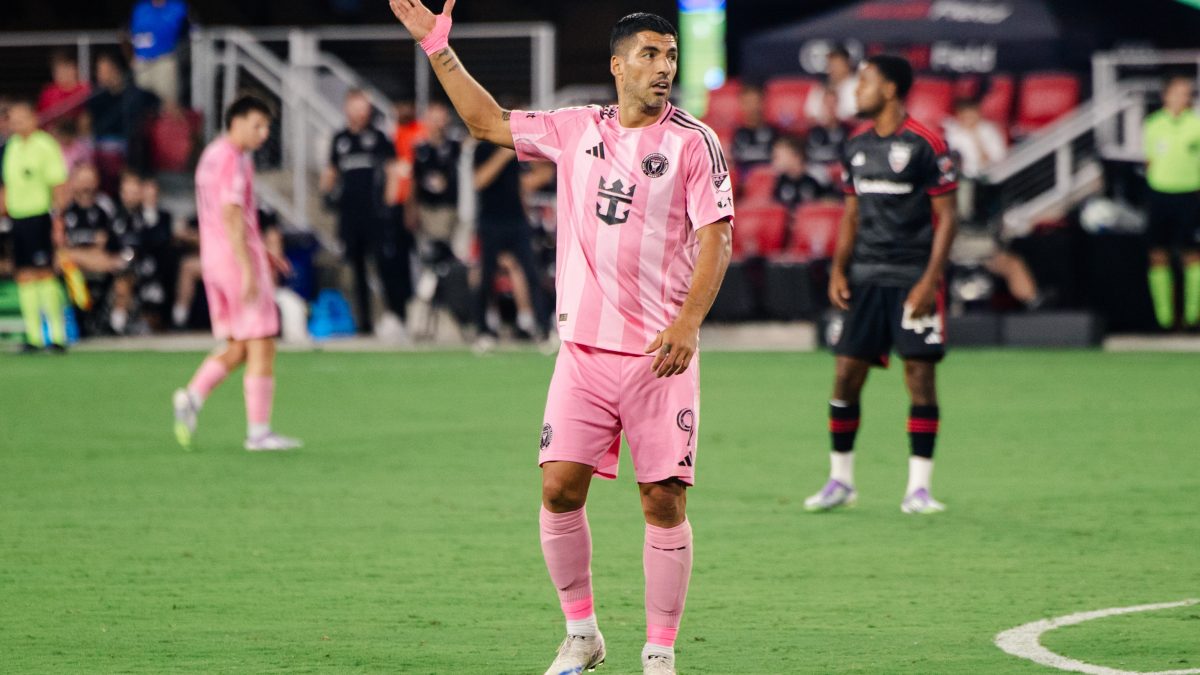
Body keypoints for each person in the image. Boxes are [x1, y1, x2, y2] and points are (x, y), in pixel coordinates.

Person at [387, 5, 734, 674]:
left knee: (661, 498)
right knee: (558, 489)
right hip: (581, 352)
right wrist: (439, 49)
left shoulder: (695, 142)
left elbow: (716, 237)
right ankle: (582, 634)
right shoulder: (575, 130)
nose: (664, 67)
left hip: (658, 355)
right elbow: (485, 122)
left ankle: (659, 650)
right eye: (650, 55)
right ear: (617, 64)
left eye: (670, 56)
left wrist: (689, 321)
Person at [803, 55, 958, 515]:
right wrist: (837, 269)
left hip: (912, 277)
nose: (857, 90)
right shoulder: (855, 146)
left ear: (890, 89)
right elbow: (850, 215)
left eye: (866, 82)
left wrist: (930, 280)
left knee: (919, 377)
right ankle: (840, 481)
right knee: (846, 374)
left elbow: (949, 218)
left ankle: (919, 488)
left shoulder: (927, 144)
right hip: (865, 278)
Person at [171, 96, 301, 452]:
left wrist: (263, 255)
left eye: (267, 127)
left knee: (240, 343)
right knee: (262, 341)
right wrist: (249, 267)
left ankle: (193, 397)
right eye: (258, 125)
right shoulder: (234, 158)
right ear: (237, 121)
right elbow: (231, 215)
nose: (264, 133)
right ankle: (258, 433)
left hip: (214, 259)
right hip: (235, 260)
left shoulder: (210, 155)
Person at [320, 89, 407, 338]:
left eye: (364, 108)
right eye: (356, 108)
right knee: (355, 269)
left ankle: (395, 316)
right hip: (350, 217)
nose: (361, 113)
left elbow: (393, 171)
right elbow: (331, 170)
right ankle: (364, 322)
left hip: (376, 216)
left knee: (385, 266)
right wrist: (326, 192)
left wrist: (390, 206)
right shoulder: (340, 139)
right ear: (347, 109)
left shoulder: (379, 137)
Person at [0, 101, 71, 353]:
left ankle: (57, 335)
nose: (16, 123)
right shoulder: (11, 147)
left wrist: (58, 220)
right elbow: (6, 186)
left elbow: (59, 185)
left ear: (33, 118)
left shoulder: (45, 145)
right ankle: (33, 336)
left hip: (40, 217)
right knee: (24, 276)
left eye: (21, 118)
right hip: (17, 220)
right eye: (13, 119)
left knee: (45, 274)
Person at [471, 140, 549, 348]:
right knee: (487, 276)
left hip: (517, 221)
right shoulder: (484, 148)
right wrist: (503, 155)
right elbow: (479, 180)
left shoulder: (519, 148)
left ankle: (543, 329)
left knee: (532, 274)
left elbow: (532, 178)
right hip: (490, 221)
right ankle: (483, 330)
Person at [1143, 75, 1200, 331]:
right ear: (1166, 95)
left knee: (1192, 255)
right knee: (1158, 255)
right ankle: (1163, 318)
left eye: (1187, 93)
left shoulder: (1196, 125)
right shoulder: (1153, 125)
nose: (1184, 97)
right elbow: (1149, 160)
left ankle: (1192, 317)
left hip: (1190, 195)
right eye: (1178, 92)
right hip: (1160, 195)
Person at [409, 102, 461, 258]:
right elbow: (414, 179)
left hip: (447, 208)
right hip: (425, 208)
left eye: (441, 119)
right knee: (427, 253)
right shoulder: (419, 148)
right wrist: (412, 208)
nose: (437, 124)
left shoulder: (454, 146)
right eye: (433, 119)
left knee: (445, 252)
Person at [128, 0, 192, 107]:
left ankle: (169, 123)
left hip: (165, 59)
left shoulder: (178, 7)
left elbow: (191, 31)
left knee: (167, 102)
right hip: (142, 61)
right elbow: (128, 33)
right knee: (141, 103)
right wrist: (131, 56)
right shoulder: (140, 8)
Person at [770, 135, 831, 211]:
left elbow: (831, 203)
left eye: (778, 156)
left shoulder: (816, 175)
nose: (774, 160)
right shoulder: (781, 180)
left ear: (795, 156)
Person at [805, 85, 848, 189]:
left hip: (840, 179)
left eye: (833, 103)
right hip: (816, 179)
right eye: (827, 103)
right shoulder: (811, 131)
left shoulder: (848, 130)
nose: (830, 108)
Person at [730, 84, 778, 173]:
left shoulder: (774, 133)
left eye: (755, 101)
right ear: (741, 104)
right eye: (747, 102)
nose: (752, 107)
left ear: (763, 103)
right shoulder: (735, 134)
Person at [805, 46, 858, 124]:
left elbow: (858, 117)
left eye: (837, 63)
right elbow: (810, 116)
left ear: (847, 63)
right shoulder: (820, 87)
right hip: (822, 132)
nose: (833, 67)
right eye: (831, 63)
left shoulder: (858, 85)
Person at [37, 51, 91, 123]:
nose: (62, 74)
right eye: (58, 70)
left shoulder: (86, 90)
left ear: (75, 69)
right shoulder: (48, 93)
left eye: (66, 68)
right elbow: (41, 118)